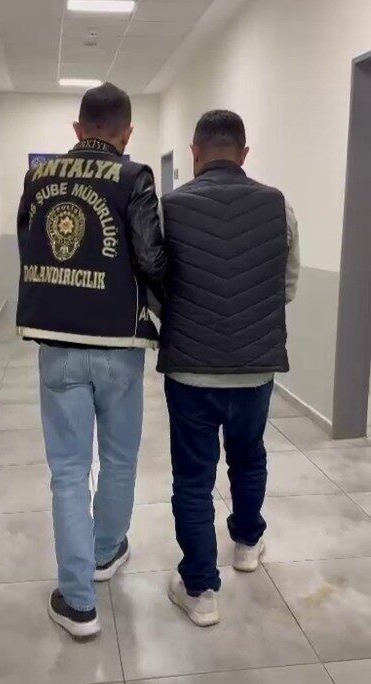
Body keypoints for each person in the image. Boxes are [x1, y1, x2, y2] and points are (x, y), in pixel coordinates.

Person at [16, 82, 166, 638]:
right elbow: (151, 257)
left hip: (56, 343)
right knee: (120, 459)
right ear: (127, 134)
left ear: (77, 130)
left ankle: (77, 602)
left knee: (68, 472)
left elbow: (29, 246)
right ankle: (105, 553)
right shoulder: (135, 177)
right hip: (119, 345)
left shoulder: (39, 177)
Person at [158, 110, 300, 627]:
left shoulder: (169, 208)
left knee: (193, 478)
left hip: (189, 372)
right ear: (244, 153)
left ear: (195, 152)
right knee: (248, 456)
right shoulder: (279, 205)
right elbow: (287, 286)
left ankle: (199, 590)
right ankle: (246, 543)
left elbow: (154, 284)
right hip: (255, 369)